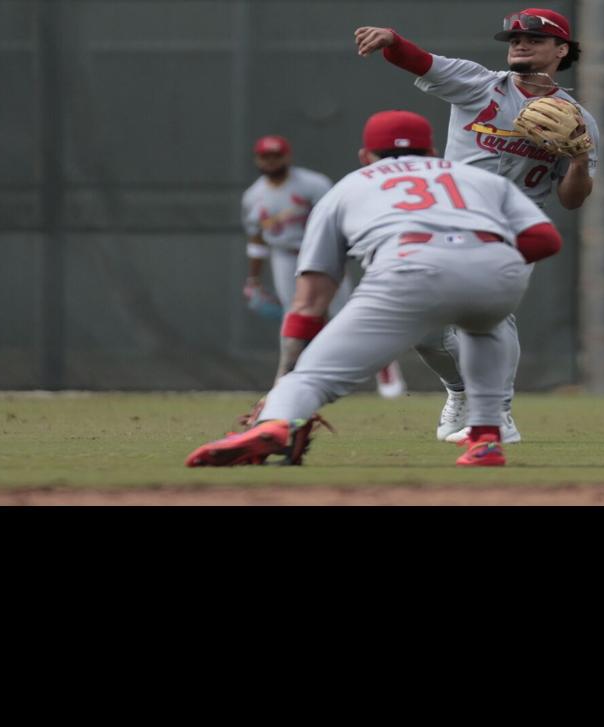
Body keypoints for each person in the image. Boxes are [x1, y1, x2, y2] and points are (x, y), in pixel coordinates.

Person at [188, 110, 562, 468]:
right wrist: (487, 261)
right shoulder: (476, 178)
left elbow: (309, 301)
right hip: (494, 266)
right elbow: (545, 239)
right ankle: (487, 438)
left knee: (313, 378)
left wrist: (284, 381)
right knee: (484, 327)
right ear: (433, 152)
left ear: (365, 156)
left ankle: (275, 421)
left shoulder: (349, 186)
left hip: (408, 267)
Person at [354, 8, 601, 445]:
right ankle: (460, 391)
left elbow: (573, 198)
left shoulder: (579, 121)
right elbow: (420, 62)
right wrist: (391, 39)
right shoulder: (479, 84)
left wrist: (579, 159)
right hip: (450, 217)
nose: (520, 45)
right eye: (514, 39)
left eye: (533, 39)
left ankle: (498, 414)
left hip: (513, 225)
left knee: (490, 312)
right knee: (426, 330)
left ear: (561, 50)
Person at [241, 134, 406, 399]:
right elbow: (257, 240)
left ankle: (383, 365)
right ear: (257, 159)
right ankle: (291, 380)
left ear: (287, 156)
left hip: (319, 251)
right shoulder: (253, 196)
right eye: (265, 157)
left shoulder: (312, 184)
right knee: (294, 317)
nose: (271, 162)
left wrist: (339, 253)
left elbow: (336, 219)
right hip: (284, 255)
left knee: (346, 314)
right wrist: (254, 278)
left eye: (276, 156)